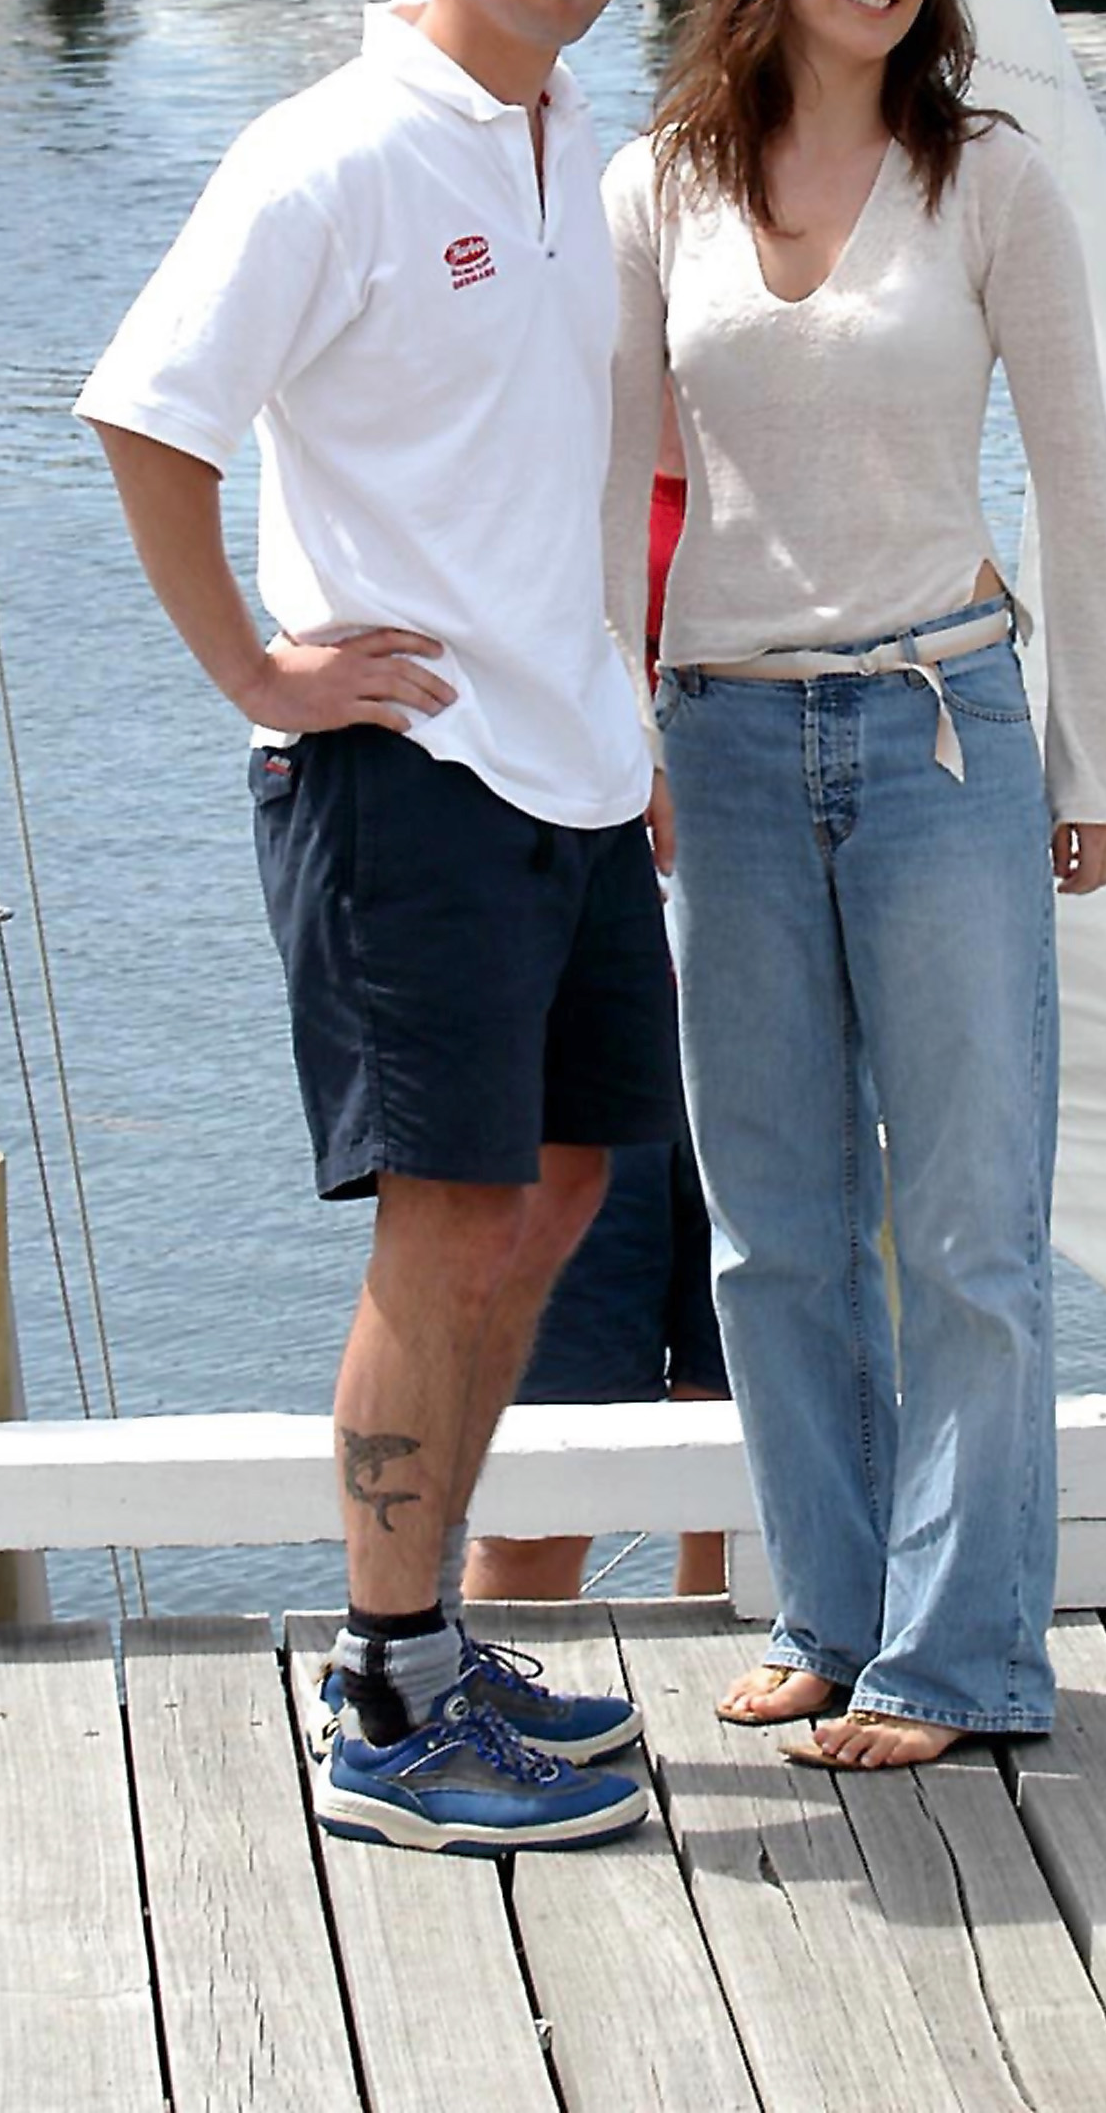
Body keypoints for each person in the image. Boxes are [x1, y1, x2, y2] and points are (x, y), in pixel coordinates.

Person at [76, 0, 681, 1856]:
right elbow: (151, 418)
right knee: (443, 1238)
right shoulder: (326, 155)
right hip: (404, 778)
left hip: (578, 767)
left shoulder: (571, 138)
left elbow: (568, 476)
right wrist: (256, 666)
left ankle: (425, 1642)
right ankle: (386, 1706)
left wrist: (631, 717)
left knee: (565, 1199)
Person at [603, 0, 1106, 1770]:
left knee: (973, 1227)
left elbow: (1081, 492)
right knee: (771, 1224)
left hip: (941, 735)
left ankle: (962, 1658)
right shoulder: (661, 181)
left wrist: (1094, 760)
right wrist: (619, 725)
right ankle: (829, 1612)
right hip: (723, 743)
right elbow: (618, 489)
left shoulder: (989, 181)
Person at [465, 392, 731, 1608]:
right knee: (556, 1431)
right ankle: (487, 1676)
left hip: (766, 1021)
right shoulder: (552, 469)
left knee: (742, 1402)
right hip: (588, 1027)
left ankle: (725, 1639)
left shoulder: (815, 458)